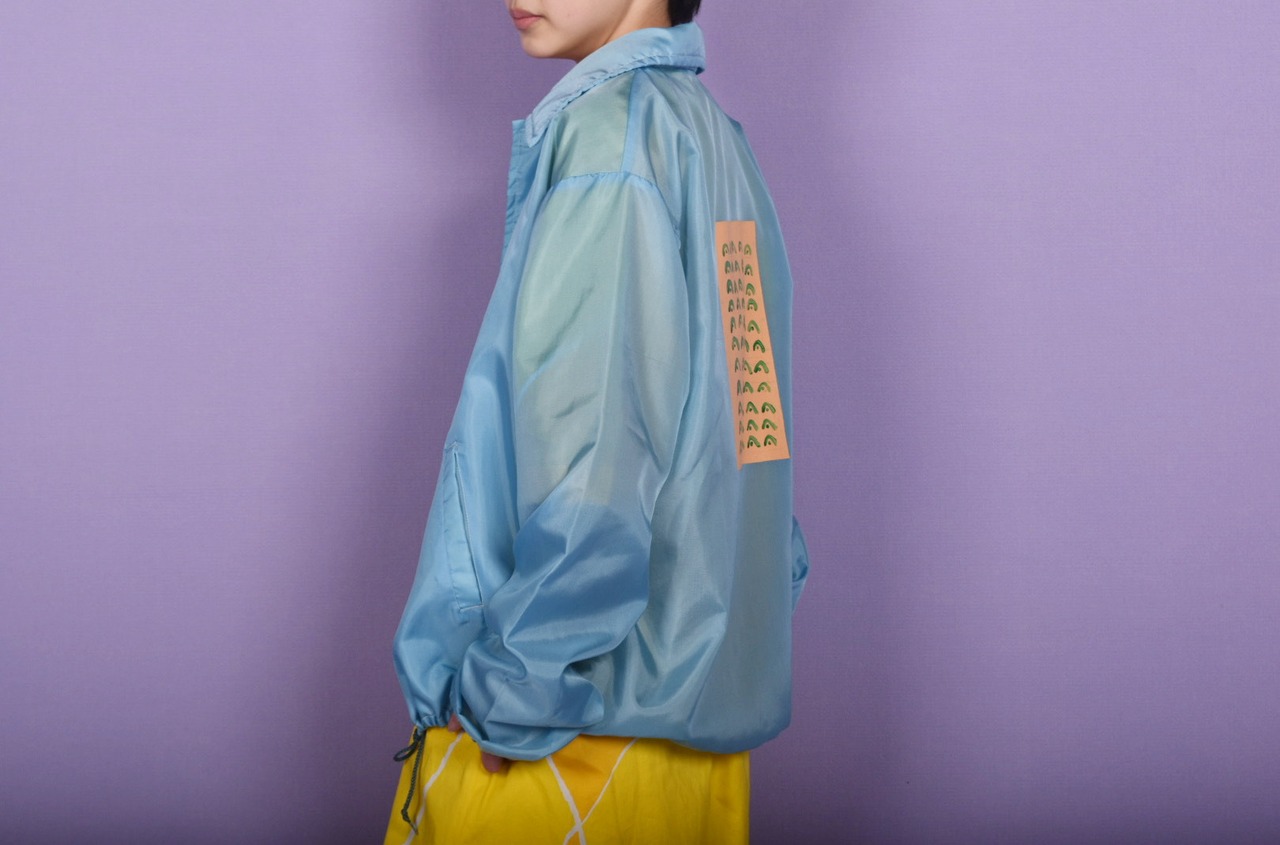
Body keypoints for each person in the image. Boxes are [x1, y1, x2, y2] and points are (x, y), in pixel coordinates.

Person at [385, 1, 809, 841]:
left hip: (570, 733)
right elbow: (752, 436)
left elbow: (596, 450)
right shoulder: (713, 139)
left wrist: (518, 685)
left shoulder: (610, 142)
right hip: (697, 740)